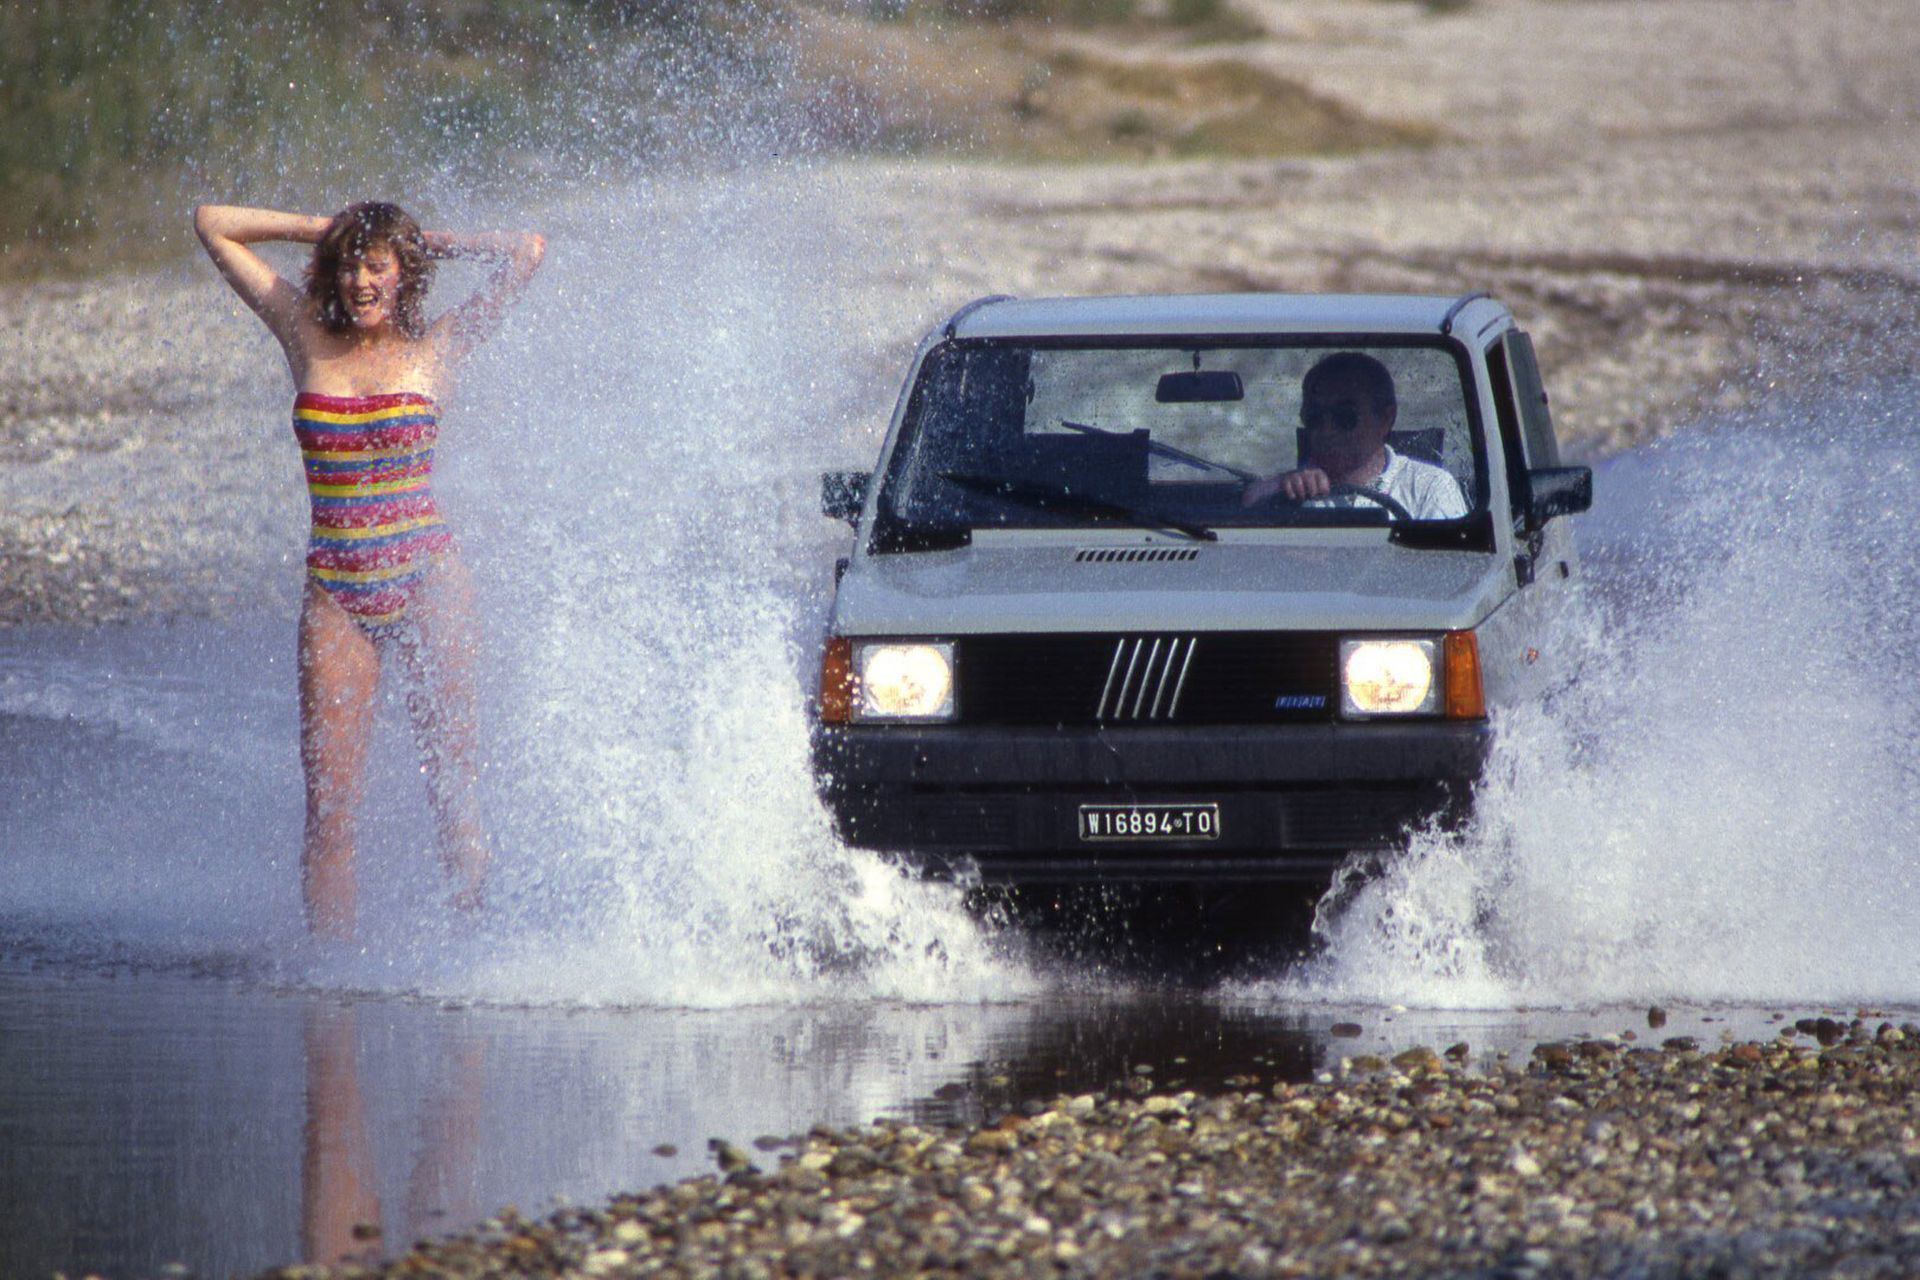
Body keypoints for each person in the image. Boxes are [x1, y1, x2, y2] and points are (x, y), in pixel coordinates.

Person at [192, 201, 545, 938]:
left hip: (428, 582)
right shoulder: (305, 333)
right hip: (337, 593)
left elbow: (526, 250)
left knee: (453, 788)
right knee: (329, 809)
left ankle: (473, 950)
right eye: (350, 263)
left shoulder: (439, 347)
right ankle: (332, 989)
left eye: (377, 263)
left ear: (403, 274)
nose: (360, 279)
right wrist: (324, 227)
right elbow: (212, 223)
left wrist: (432, 237)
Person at [1241, 350, 1468, 519]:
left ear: (1385, 419)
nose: (1326, 430)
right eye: (1314, 416)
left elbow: (1443, 570)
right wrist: (1280, 487)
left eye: (1344, 416)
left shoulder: (1429, 488)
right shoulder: (1290, 495)